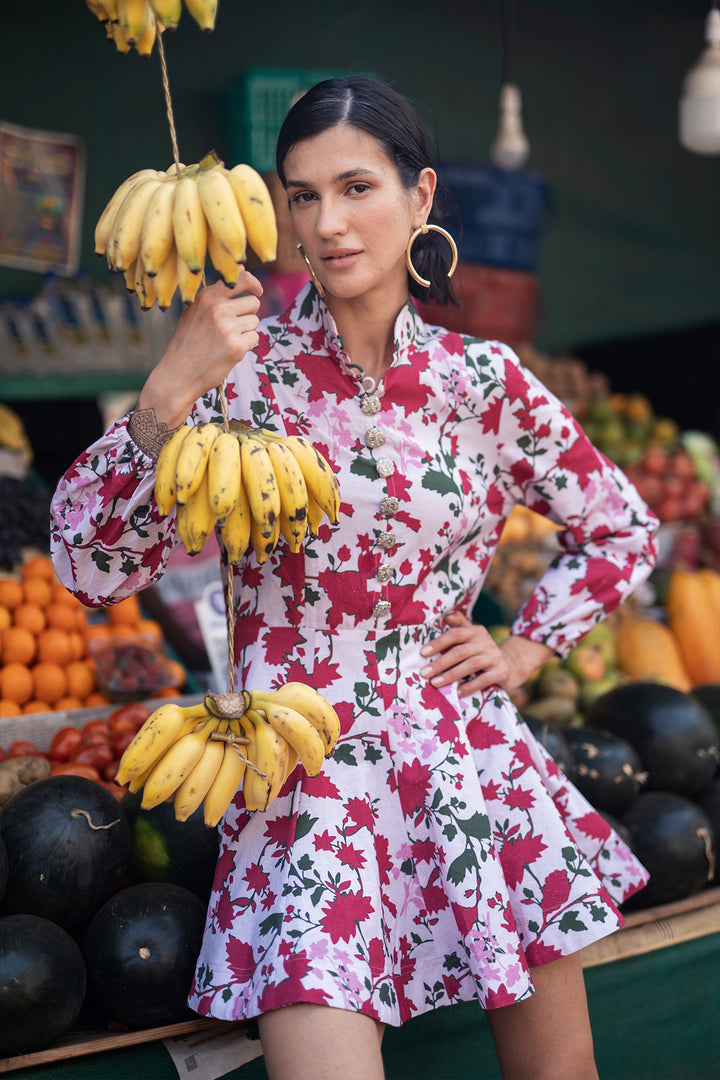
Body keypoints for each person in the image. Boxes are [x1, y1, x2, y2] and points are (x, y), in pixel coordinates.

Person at [51, 76, 658, 1080]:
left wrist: (525, 643)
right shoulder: (242, 380)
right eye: (299, 196)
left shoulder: (482, 383)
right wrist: (169, 387)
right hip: (303, 782)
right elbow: (87, 565)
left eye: (354, 187)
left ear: (420, 198)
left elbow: (618, 526)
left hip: (468, 768)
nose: (325, 224)